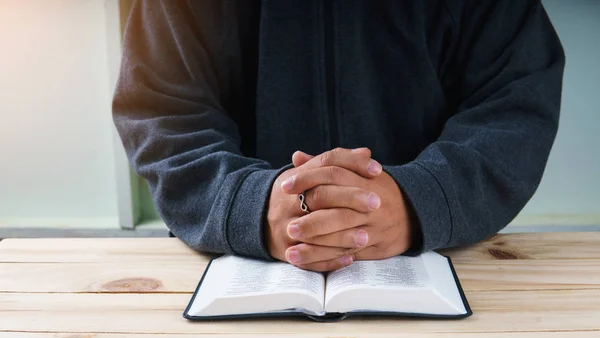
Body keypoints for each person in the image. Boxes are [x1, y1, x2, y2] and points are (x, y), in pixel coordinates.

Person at [112, 0, 565, 272]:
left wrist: (418, 200)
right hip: (229, 266)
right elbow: (162, 110)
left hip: (449, 260)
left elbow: (515, 103)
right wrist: (251, 204)